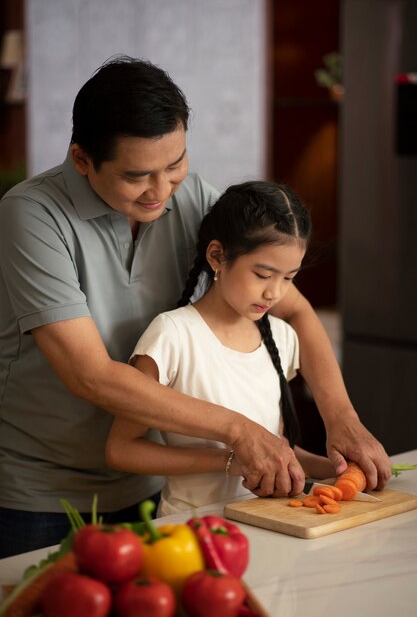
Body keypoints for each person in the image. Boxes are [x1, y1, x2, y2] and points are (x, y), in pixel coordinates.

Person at [0, 56, 390, 557]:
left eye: (175, 165)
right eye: (138, 175)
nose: (161, 192)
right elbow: (90, 376)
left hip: (152, 484)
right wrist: (238, 431)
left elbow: (293, 309)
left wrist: (342, 419)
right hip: (41, 489)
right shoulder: (31, 215)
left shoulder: (189, 200)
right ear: (82, 159)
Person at [105, 181, 337, 515]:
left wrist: (337, 470)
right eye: (262, 274)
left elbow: (278, 450)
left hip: (270, 525)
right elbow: (121, 450)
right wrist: (230, 461)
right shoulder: (172, 335)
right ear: (217, 256)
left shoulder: (282, 337)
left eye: (288, 278)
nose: (274, 293)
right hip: (190, 530)